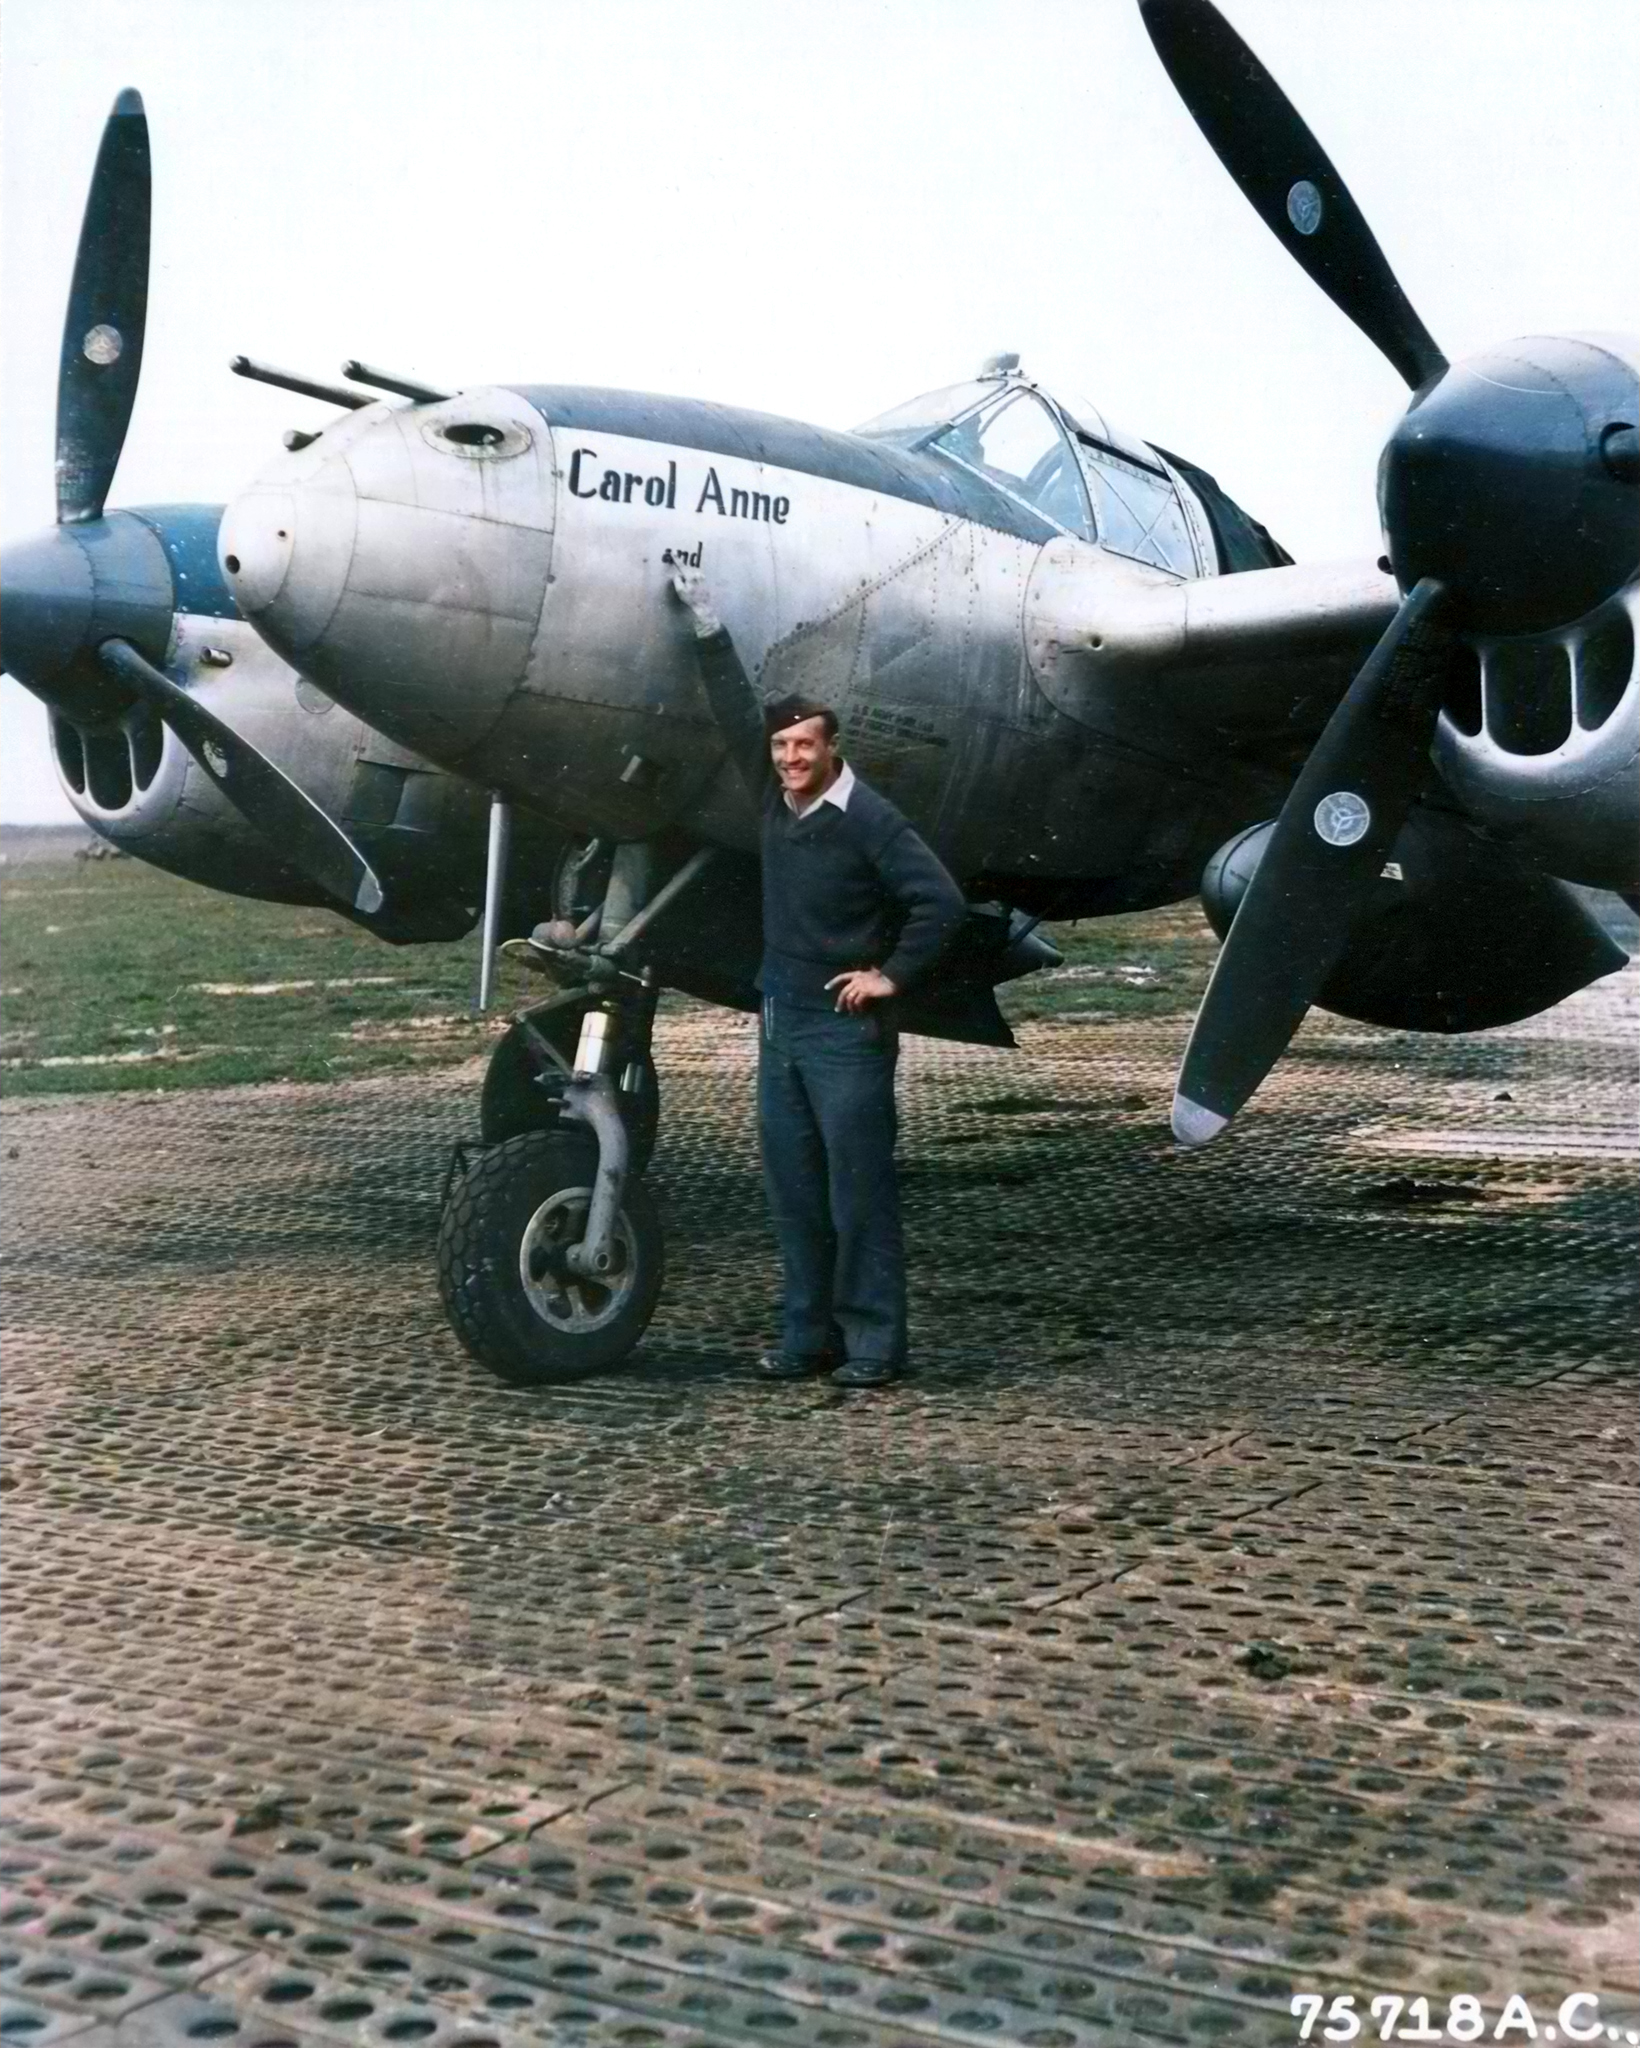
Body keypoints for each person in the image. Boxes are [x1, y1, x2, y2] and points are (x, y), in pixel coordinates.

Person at [671, 571, 966, 1387]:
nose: (791, 759)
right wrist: (705, 629)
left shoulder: (869, 817)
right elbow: (734, 714)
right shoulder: (776, 805)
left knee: (856, 1193)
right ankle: (809, 1340)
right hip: (781, 1021)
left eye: (805, 747)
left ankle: (874, 1347)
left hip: (844, 1031)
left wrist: (890, 978)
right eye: (781, 748)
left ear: (832, 747)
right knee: (795, 1190)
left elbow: (940, 903)